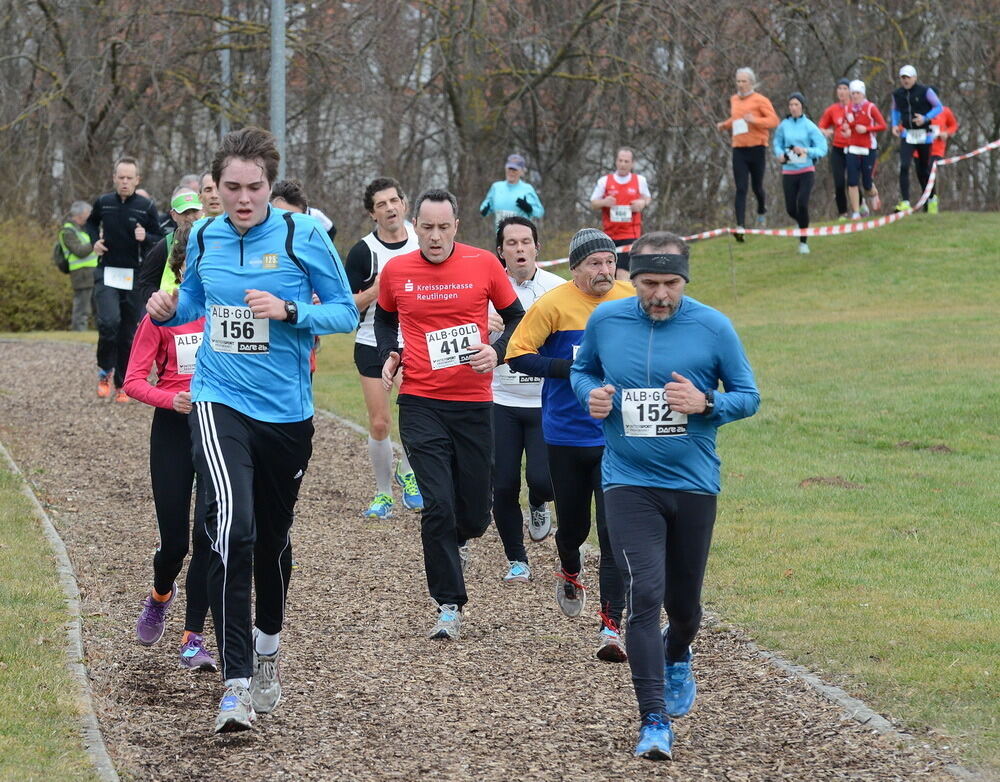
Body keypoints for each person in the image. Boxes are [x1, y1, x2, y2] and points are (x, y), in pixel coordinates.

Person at [146, 126, 359, 733]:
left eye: (254, 187)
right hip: (218, 398)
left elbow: (344, 312)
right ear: (217, 188)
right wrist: (169, 309)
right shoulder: (206, 234)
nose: (243, 199)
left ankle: (267, 651)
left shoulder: (303, 235)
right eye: (232, 187)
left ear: (270, 184)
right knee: (232, 528)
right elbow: (192, 302)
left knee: (271, 542)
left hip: (287, 415)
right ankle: (234, 685)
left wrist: (290, 311)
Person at [570, 231, 759, 760]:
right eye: (649, 282)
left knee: (685, 607)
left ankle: (680, 653)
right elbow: (582, 371)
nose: (659, 294)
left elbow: (749, 397)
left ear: (685, 280)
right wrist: (593, 396)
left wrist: (706, 404)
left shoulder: (713, 326)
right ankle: (653, 721)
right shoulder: (607, 320)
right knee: (645, 595)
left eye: (670, 284)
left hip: (694, 483)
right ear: (632, 277)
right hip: (627, 480)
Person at [374, 189, 524, 640]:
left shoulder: (483, 265)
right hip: (420, 402)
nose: (435, 237)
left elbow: (517, 318)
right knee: (436, 503)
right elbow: (384, 319)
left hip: (474, 403)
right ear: (413, 226)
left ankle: (460, 539)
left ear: (457, 226)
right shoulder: (397, 270)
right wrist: (391, 353)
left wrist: (495, 352)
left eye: (443, 228)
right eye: (427, 228)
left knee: (477, 512)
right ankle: (448, 604)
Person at [505, 228, 632, 662]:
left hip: (616, 437)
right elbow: (518, 355)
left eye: (609, 261)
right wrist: (569, 367)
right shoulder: (553, 304)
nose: (604, 270)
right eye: (594, 263)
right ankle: (570, 568)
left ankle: (611, 627)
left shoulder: (629, 299)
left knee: (614, 535)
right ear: (575, 268)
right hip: (565, 434)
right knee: (574, 528)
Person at [123, 222, 216, 672]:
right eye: (193, 265)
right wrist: (171, 398)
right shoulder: (162, 315)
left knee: (207, 535)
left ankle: (193, 637)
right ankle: (160, 595)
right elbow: (133, 381)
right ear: (180, 269)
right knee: (176, 541)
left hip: (219, 426)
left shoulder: (227, 310)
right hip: (173, 428)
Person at [488, 216, 563, 583]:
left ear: (537, 247)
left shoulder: (557, 288)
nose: (519, 249)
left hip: (543, 400)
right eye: (511, 243)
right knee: (501, 484)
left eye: (525, 242)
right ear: (500, 250)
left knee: (541, 479)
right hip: (500, 397)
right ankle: (517, 559)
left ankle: (538, 502)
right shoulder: (487, 288)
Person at [344, 177, 423, 519]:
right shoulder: (364, 252)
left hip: (416, 341)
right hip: (372, 341)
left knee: (416, 417)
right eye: (381, 204)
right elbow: (347, 308)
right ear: (372, 214)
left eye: (394, 200)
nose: (390, 208)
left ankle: (409, 475)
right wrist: (376, 289)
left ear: (404, 204)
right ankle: (383, 493)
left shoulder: (424, 242)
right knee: (379, 423)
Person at [86, 156, 163, 402]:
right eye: (121, 178)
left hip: (135, 275)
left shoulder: (146, 206)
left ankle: (122, 383)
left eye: (130, 178)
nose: (125, 182)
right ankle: (104, 371)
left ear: (137, 179)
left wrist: (146, 236)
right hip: (107, 273)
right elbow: (89, 224)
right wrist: (93, 242)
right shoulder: (104, 202)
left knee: (128, 333)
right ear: (114, 179)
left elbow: (160, 237)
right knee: (109, 323)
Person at [715, 67, 779, 241]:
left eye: (744, 81)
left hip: (757, 148)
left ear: (752, 82)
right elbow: (736, 119)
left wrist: (755, 120)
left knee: (757, 186)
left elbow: (773, 120)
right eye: (738, 81)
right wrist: (725, 125)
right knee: (741, 188)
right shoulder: (734, 99)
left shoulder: (760, 100)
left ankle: (761, 210)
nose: (741, 85)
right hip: (739, 149)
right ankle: (740, 226)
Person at [772, 92, 827, 254]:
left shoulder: (809, 126)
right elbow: (777, 142)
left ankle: (803, 242)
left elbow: (822, 149)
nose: (793, 108)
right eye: (791, 105)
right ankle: (803, 224)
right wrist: (779, 154)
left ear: (802, 106)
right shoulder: (784, 125)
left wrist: (806, 150)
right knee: (790, 208)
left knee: (802, 203)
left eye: (796, 105)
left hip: (806, 170)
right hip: (788, 171)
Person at [589, 147, 652, 278]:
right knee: (609, 274)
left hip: (630, 234)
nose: (623, 164)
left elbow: (647, 198)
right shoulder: (605, 181)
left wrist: (642, 203)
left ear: (632, 163)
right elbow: (594, 203)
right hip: (609, 235)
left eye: (626, 161)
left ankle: (626, 297)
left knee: (623, 274)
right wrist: (604, 202)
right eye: (620, 160)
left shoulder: (639, 180)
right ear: (616, 162)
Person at [136, 189, 204, 307]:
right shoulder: (165, 245)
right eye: (185, 212)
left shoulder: (215, 241)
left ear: (202, 210)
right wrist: (160, 302)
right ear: (173, 215)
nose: (191, 217)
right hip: (173, 318)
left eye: (195, 211)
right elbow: (145, 283)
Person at [891, 65, 943, 211]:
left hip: (924, 135)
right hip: (907, 134)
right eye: (903, 78)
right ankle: (905, 202)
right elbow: (895, 110)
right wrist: (895, 125)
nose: (905, 80)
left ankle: (931, 198)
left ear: (914, 77)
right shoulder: (897, 94)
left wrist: (925, 118)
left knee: (923, 169)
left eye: (908, 77)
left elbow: (939, 107)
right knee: (904, 165)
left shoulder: (925, 91)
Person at [843, 80, 886, 220]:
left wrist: (867, 129)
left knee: (867, 183)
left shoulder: (870, 108)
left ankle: (873, 193)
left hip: (868, 148)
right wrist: (846, 130)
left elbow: (883, 125)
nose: (855, 96)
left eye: (858, 93)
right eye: (853, 93)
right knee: (852, 181)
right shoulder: (848, 108)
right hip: (852, 147)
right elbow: (848, 125)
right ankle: (856, 212)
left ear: (863, 94)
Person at [59, 201, 98, 331]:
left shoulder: (84, 230)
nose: (91, 216)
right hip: (81, 274)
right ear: (80, 214)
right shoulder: (67, 231)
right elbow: (79, 251)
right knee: (82, 307)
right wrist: (95, 241)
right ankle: (78, 332)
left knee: (97, 307)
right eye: (89, 213)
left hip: (92, 273)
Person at [817, 78, 853, 220]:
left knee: (852, 180)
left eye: (845, 89)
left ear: (850, 92)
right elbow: (820, 127)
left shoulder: (855, 107)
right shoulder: (832, 109)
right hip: (837, 149)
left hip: (853, 148)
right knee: (839, 182)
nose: (842, 92)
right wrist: (825, 132)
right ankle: (842, 213)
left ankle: (860, 204)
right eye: (840, 89)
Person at [479, 154, 545, 229]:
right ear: (505, 169)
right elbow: (484, 208)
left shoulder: (527, 189)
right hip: (501, 235)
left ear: (522, 172)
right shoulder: (496, 187)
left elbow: (540, 212)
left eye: (514, 170)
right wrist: (484, 210)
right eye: (509, 169)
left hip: (521, 235)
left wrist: (529, 209)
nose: (511, 172)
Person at [922, 94, 958, 214]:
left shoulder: (945, 111)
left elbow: (953, 125)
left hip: (937, 149)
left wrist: (946, 133)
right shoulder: (921, 111)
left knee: (929, 170)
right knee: (922, 175)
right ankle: (927, 201)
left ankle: (932, 200)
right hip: (921, 148)